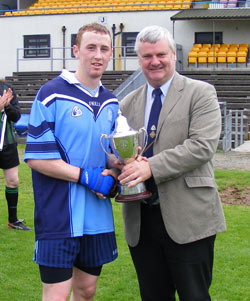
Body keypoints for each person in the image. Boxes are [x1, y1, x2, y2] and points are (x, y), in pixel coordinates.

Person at [118, 25, 226, 300]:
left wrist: (149, 167)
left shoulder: (200, 93)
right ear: (139, 60)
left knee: (195, 296)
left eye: (160, 54)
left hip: (189, 218)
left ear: (173, 55)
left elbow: (202, 146)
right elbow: (120, 151)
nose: (154, 61)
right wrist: (118, 164)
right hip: (142, 221)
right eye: (146, 56)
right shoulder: (127, 103)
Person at [24, 23, 119, 300]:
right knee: (56, 294)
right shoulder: (51, 93)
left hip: (97, 217)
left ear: (111, 53)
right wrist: (86, 177)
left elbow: (111, 156)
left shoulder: (111, 101)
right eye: (91, 47)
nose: (97, 55)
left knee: (87, 291)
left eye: (104, 49)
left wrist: (114, 174)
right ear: (76, 50)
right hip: (58, 215)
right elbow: (37, 158)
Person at [0, 81, 31, 231]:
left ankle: (13, 220)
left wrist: (7, 106)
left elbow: (16, 116)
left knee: (13, 181)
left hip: (7, 143)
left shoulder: (7, 89)